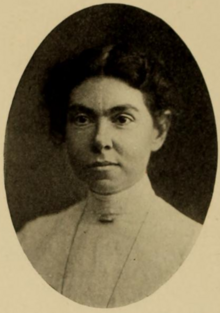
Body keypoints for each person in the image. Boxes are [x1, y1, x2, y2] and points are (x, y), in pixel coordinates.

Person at [17, 44, 201, 308]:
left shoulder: (193, 246)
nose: (100, 139)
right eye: (82, 119)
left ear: (159, 131)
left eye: (122, 119)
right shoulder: (33, 240)